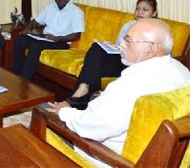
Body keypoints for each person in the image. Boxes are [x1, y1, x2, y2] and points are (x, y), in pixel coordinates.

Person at [47, 18, 190, 166]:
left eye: (128, 40)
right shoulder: (182, 72)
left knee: (43, 118)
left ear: (151, 49)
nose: (121, 44)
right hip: (164, 157)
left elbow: (90, 127)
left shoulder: (129, 86)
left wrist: (65, 112)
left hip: (110, 158)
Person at [67, 0, 158, 109]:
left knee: (94, 69)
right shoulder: (128, 25)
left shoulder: (158, 30)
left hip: (135, 66)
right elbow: (120, 47)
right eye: (137, 9)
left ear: (154, 13)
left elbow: (161, 55)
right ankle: (83, 88)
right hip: (122, 60)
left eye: (145, 10)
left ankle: (78, 100)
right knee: (97, 48)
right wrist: (111, 46)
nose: (140, 12)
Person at [12, 0, 85, 79]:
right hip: (45, 38)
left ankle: (24, 80)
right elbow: (36, 21)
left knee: (35, 47)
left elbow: (76, 36)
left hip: (61, 42)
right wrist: (28, 28)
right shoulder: (50, 7)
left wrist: (58, 38)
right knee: (20, 40)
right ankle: (15, 76)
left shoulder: (76, 12)